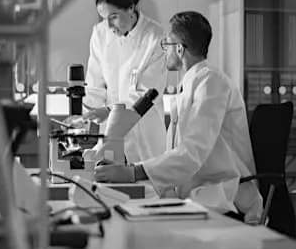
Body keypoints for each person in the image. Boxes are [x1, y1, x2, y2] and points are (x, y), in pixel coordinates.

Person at [94, 11, 263, 221]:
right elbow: (180, 157)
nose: (164, 50)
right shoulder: (190, 85)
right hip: (197, 193)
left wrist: (133, 172)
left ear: (180, 49)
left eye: (166, 44)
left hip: (224, 197)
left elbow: (192, 152)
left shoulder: (212, 83)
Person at [82, 0, 167, 164]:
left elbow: (146, 95)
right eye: (104, 18)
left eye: (113, 17)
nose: (109, 26)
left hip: (144, 135)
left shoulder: (155, 37)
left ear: (131, 8)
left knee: (144, 178)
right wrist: (86, 115)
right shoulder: (100, 34)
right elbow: (94, 84)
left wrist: (108, 111)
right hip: (111, 134)